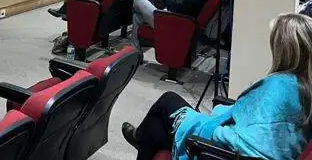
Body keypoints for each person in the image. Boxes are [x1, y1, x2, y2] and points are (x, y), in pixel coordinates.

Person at [121, 13, 312, 160]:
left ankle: (140, 136)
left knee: (166, 103)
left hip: (221, 151)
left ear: (285, 49)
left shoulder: (280, 87)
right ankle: (142, 136)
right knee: (156, 127)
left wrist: (208, 126)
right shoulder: (303, 84)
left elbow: (250, 145)